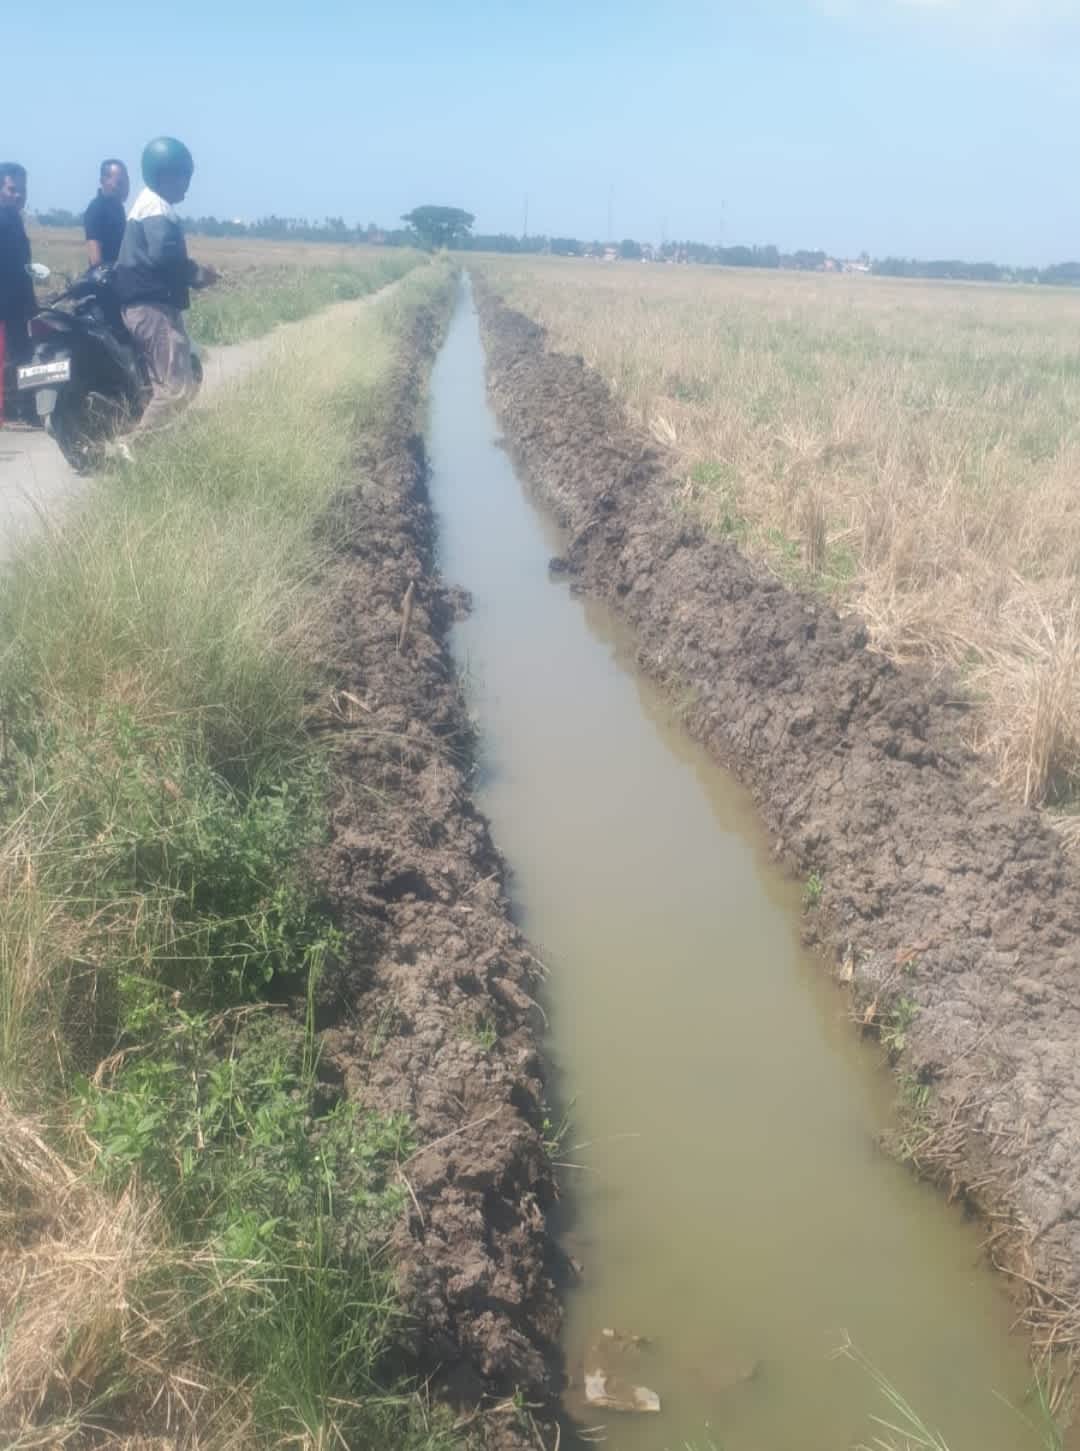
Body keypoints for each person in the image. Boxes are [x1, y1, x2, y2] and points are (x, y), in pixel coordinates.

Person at [112, 136, 216, 436]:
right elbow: (166, 258)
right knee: (176, 387)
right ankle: (135, 447)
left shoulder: (146, 203)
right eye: (184, 177)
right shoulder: (156, 208)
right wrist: (199, 275)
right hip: (152, 307)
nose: (187, 185)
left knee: (164, 384)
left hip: (144, 305)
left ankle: (159, 447)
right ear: (166, 175)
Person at [0, 162, 35, 426]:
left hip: (16, 304)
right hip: (5, 305)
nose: (18, 195)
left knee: (18, 358)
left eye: (22, 190)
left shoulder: (13, 219)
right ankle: (14, 411)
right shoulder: (4, 219)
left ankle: (18, 409)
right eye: (12, 189)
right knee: (11, 359)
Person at [84, 159, 130, 267]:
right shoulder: (96, 209)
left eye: (125, 182)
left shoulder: (118, 208)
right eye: (119, 183)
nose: (123, 187)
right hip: (108, 279)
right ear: (103, 181)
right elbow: (95, 258)